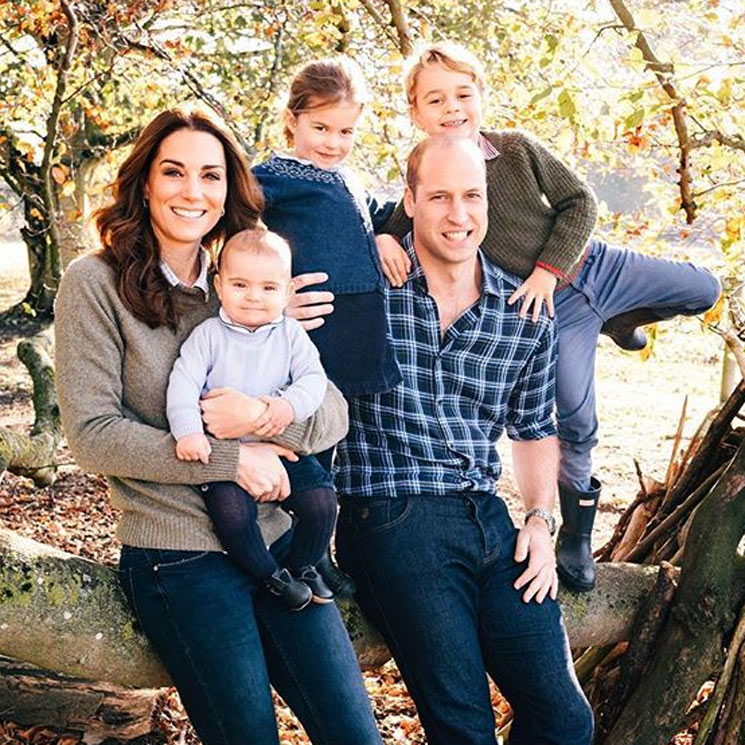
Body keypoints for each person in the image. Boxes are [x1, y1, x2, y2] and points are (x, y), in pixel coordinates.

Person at [55, 106, 382, 745]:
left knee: (355, 734)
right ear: (144, 183)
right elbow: (93, 434)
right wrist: (235, 460)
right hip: (178, 551)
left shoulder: (249, 284)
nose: (193, 191)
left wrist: (264, 419)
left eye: (211, 175)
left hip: (280, 544)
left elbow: (334, 411)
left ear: (229, 190)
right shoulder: (92, 283)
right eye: (173, 172)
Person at [377, 42, 721, 592]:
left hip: (595, 266)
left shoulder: (516, 149)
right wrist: (379, 238)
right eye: (435, 100)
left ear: (481, 97)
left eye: (464, 94)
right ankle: (576, 538)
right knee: (575, 420)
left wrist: (547, 268)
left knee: (705, 288)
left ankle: (622, 318)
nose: (453, 108)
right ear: (415, 112)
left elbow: (579, 202)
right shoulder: (429, 175)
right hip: (552, 311)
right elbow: (400, 219)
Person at [335, 134, 594, 745]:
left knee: (566, 721)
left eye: (471, 196)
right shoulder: (366, 284)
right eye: (440, 197)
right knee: (465, 728)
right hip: (392, 516)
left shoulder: (521, 308)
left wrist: (538, 519)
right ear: (411, 200)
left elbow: (534, 428)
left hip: (488, 517)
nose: (458, 214)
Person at [252, 55, 401, 594]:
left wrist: (383, 234)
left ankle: (320, 550)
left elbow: (378, 213)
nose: (333, 142)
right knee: (306, 442)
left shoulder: (348, 176)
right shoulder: (270, 178)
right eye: (321, 128)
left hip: (357, 329)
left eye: (345, 131)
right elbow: (233, 236)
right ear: (292, 119)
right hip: (314, 330)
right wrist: (271, 296)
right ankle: (300, 550)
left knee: (334, 446)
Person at [167, 228, 337, 610]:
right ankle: (270, 577)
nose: (254, 297)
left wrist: (286, 407)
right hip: (225, 454)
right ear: (219, 285)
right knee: (232, 516)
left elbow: (314, 381)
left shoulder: (291, 335)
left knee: (321, 501)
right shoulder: (207, 336)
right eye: (240, 284)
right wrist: (189, 433)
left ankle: (303, 565)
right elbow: (182, 384)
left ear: (287, 292)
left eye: (268, 287)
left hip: (276, 447)